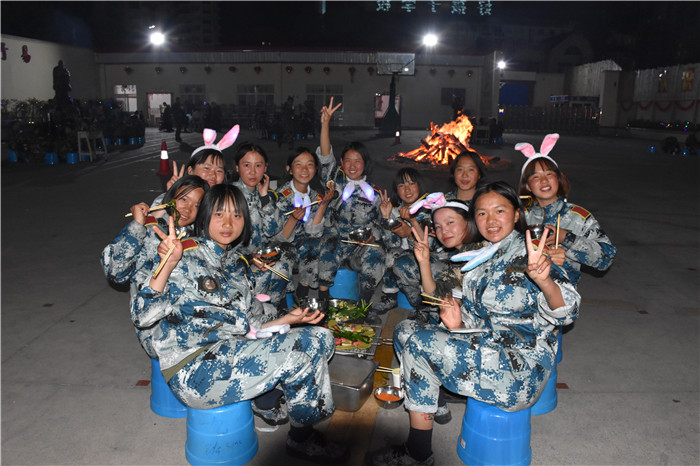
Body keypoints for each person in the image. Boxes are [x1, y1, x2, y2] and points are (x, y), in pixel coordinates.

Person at [131, 184, 348, 463]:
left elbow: (251, 324)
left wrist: (290, 319)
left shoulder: (236, 264)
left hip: (230, 351)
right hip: (193, 368)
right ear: (205, 217)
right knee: (306, 346)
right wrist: (166, 266)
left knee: (321, 337)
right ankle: (302, 438)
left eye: (236, 215)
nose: (228, 223)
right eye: (219, 214)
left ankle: (274, 402)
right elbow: (142, 316)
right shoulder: (183, 255)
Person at [367, 181, 580, 465]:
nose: (490, 220)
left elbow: (567, 313)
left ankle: (418, 454)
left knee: (420, 344)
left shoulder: (532, 252)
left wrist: (544, 281)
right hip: (487, 345)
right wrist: (456, 323)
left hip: (520, 368)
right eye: (482, 213)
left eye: (499, 211)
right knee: (407, 330)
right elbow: (469, 311)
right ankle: (433, 401)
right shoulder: (483, 255)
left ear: (516, 214)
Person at [101, 175, 208, 357]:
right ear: (171, 198)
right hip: (157, 325)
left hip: (190, 313)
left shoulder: (198, 235)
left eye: (197, 205)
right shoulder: (152, 231)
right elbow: (116, 272)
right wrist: (137, 226)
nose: (188, 209)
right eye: (183, 199)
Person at [315, 98, 386, 324]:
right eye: (348, 161)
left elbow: (381, 224)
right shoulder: (335, 182)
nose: (353, 166)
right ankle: (323, 304)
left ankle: (364, 307)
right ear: (342, 163)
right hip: (336, 242)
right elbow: (325, 156)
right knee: (327, 247)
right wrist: (325, 124)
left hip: (359, 250)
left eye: (358, 161)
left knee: (376, 253)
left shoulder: (374, 193)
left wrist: (373, 237)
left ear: (365, 164)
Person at [516, 133, 617, 286]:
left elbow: (606, 259)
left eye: (549, 174)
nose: (544, 180)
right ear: (528, 186)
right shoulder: (519, 216)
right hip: (522, 295)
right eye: (536, 177)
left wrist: (567, 238)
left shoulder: (578, 217)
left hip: (561, 296)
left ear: (559, 178)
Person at [230, 143, 289, 316]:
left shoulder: (268, 195)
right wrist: (248, 258)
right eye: (246, 165)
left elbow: (272, 230)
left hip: (261, 256)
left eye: (258, 165)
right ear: (237, 167)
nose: (252, 171)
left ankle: (272, 312)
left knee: (282, 267)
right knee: (262, 274)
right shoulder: (230, 195)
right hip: (238, 259)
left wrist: (264, 197)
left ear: (265, 168)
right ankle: (257, 314)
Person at [275, 147, 335, 300]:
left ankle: (304, 291)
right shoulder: (280, 197)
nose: (304, 169)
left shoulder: (315, 196)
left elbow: (313, 232)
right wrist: (293, 219)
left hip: (305, 249)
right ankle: (283, 298)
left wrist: (323, 205)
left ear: (315, 169)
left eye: (309, 164)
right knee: (290, 249)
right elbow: (278, 239)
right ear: (289, 169)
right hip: (283, 250)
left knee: (321, 241)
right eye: (298, 164)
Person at [374, 167, 433, 313]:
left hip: (427, 258)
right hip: (403, 254)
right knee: (389, 253)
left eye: (411, 183)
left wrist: (411, 229)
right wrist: (386, 217)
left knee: (403, 262)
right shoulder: (396, 210)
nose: (407, 190)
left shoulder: (430, 210)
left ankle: (422, 306)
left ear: (419, 185)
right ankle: (390, 297)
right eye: (401, 185)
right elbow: (390, 244)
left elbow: (429, 248)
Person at [166, 125, 239, 190]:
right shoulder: (182, 196)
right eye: (207, 168)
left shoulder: (227, 199)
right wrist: (173, 195)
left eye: (219, 171)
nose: (213, 175)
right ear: (190, 170)